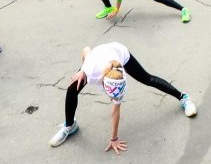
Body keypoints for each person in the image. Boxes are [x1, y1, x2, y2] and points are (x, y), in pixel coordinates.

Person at [48, 42, 196, 151]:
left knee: (147, 78)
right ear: (103, 83)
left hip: (118, 51)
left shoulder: (120, 79)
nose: (112, 97)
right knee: (72, 88)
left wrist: (114, 138)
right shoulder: (90, 70)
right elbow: (86, 49)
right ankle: (70, 125)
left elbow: (116, 110)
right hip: (96, 60)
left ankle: (183, 97)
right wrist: (83, 69)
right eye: (110, 92)